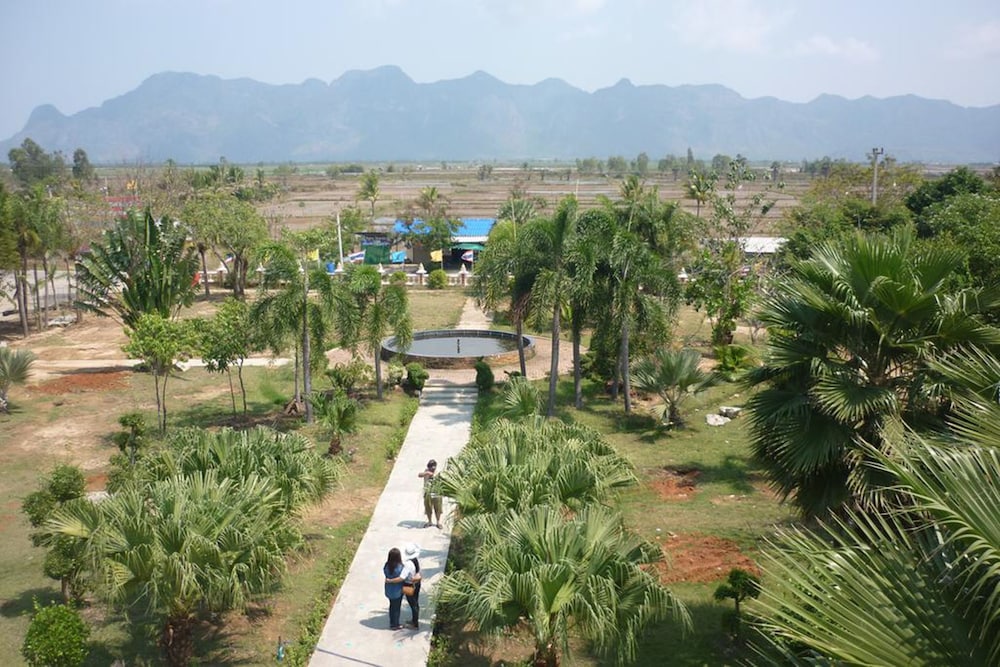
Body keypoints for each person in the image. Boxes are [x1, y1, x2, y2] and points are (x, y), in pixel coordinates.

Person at [383, 547, 405, 630]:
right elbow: (402, 577)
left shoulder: (386, 565)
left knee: (392, 606)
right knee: (396, 608)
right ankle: (395, 625)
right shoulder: (400, 567)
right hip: (397, 591)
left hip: (389, 590)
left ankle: (392, 622)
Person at [401, 543, 422, 629]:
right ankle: (414, 620)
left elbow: (402, 576)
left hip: (409, 585)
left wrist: (390, 580)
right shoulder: (415, 561)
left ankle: (415, 624)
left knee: (413, 604)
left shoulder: (408, 564)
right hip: (417, 583)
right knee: (415, 603)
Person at [418, 459, 443, 528]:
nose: (432, 469)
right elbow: (419, 475)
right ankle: (429, 522)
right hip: (427, 493)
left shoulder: (438, 472)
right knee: (428, 508)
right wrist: (427, 473)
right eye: (430, 468)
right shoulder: (426, 471)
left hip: (437, 492)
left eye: (433, 467)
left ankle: (438, 522)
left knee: (438, 508)